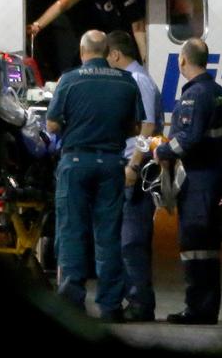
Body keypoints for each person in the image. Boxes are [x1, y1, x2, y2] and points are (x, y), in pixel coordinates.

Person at [46, 30, 144, 323]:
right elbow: (137, 127)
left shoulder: (69, 79)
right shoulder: (127, 82)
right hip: (112, 163)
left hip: (75, 162)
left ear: (82, 51)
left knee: (72, 232)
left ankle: (72, 303)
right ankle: (111, 306)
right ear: (106, 51)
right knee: (108, 236)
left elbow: (51, 124)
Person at [154, 38, 222, 325]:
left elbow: (188, 138)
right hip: (214, 177)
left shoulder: (194, 95)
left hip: (198, 181)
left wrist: (160, 150)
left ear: (183, 60)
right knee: (208, 247)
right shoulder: (218, 91)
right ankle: (207, 307)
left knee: (195, 243)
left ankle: (197, 309)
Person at [106, 30, 163, 323]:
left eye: (107, 57)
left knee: (132, 241)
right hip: (129, 166)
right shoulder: (135, 78)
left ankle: (141, 304)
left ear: (115, 55)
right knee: (125, 240)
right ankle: (135, 300)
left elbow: (148, 127)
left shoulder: (138, 80)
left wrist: (134, 164)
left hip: (135, 171)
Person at [28, 0, 147, 64]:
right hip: (103, 33)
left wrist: (146, 60)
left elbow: (138, 26)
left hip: (127, 37)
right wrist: (37, 25)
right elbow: (62, 4)